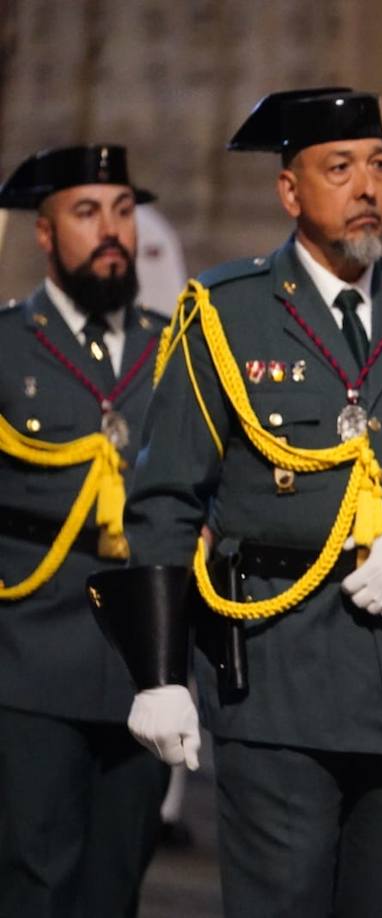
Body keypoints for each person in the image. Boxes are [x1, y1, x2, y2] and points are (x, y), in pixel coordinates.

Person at [91, 87, 382, 917]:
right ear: (290, 191)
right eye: (340, 167)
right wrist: (159, 670)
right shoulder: (228, 311)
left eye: (381, 166)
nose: (367, 186)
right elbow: (168, 495)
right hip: (280, 673)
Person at [0, 144, 169, 917]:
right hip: (29, 656)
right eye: (87, 212)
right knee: (35, 884)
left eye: (124, 211)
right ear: (44, 232)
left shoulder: (179, 346)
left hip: (144, 659)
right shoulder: (8, 344)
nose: (112, 231)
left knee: (117, 885)